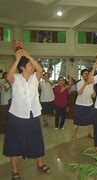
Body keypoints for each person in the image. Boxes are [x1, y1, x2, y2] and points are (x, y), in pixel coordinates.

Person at [3, 49, 50, 180]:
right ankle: (14, 170)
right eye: (30, 65)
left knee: (37, 141)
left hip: (33, 114)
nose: (32, 67)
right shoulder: (16, 79)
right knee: (15, 143)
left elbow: (40, 69)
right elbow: (8, 77)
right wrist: (18, 58)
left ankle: (40, 163)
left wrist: (28, 55)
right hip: (17, 116)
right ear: (23, 67)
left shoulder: (35, 78)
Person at [72, 69, 95, 141]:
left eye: (88, 74)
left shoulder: (91, 83)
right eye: (85, 74)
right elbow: (79, 93)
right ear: (81, 75)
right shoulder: (79, 83)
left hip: (89, 104)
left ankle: (90, 133)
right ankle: (74, 135)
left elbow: (93, 95)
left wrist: (94, 93)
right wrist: (85, 84)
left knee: (91, 120)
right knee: (77, 121)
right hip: (80, 105)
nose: (87, 75)